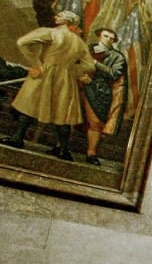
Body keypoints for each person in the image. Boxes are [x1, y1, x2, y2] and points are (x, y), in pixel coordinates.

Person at [0, 10, 94, 161]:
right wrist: (70, 70)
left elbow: (22, 42)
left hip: (44, 73)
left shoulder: (50, 33)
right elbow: (89, 66)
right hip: (65, 80)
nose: (56, 17)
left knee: (29, 105)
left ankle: (17, 138)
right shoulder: (79, 42)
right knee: (62, 113)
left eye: (59, 16)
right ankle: (63, 150)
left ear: (66, 21)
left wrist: (36, 64)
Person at [80, 27, 127, 166]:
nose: (108, 39)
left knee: (95, 122)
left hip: (99, 90)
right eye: (106, 36)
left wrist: (96, 64)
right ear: (99, 36)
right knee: (69, 116)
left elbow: (114, 74)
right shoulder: (87, 49)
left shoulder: (117, 57)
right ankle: (61, 147)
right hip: (78, 84)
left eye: (112, 38)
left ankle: (91, 153)